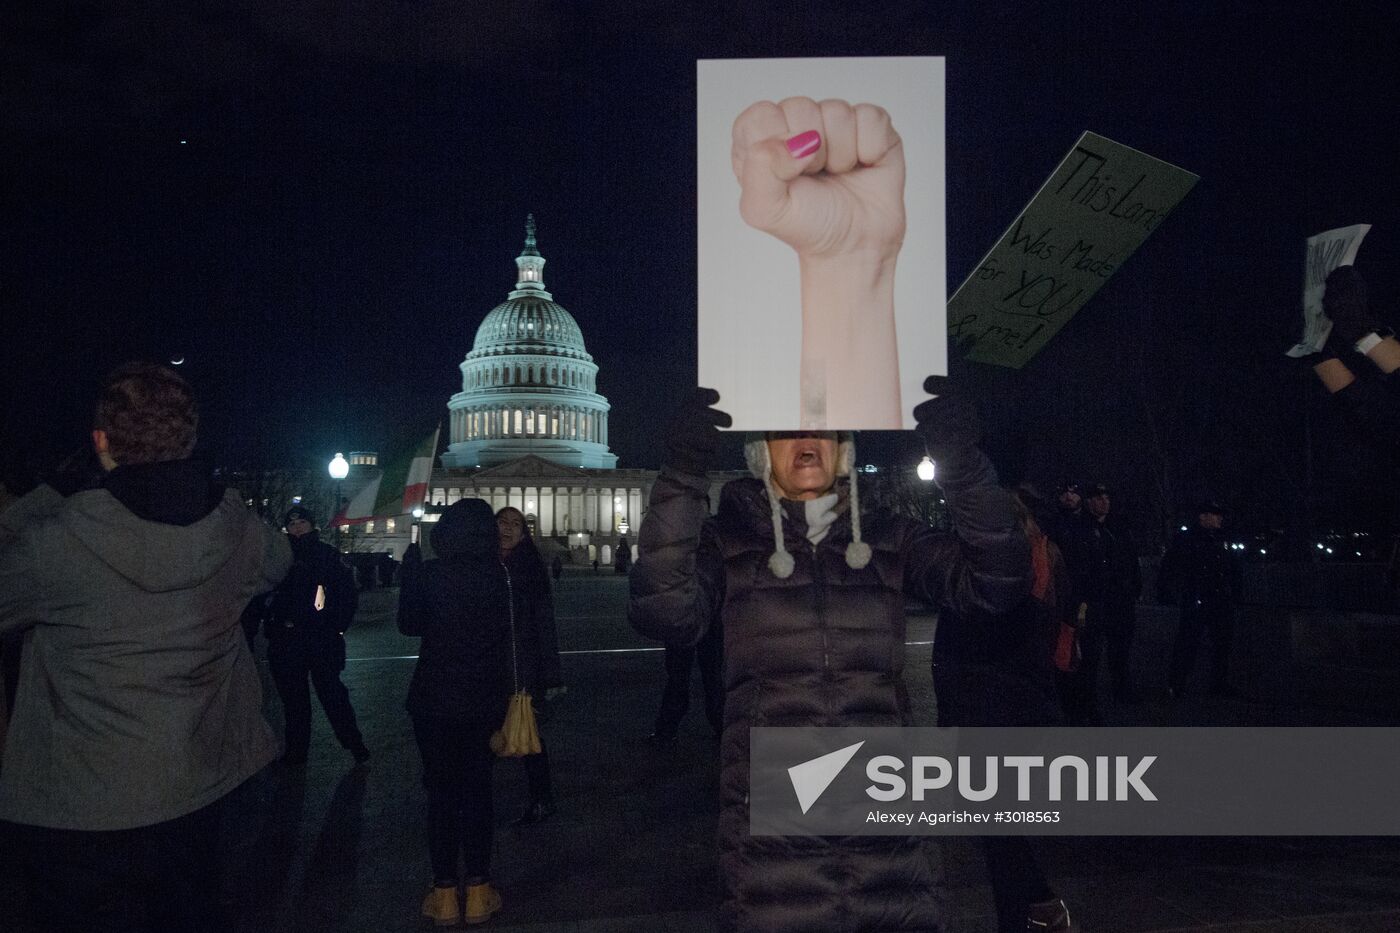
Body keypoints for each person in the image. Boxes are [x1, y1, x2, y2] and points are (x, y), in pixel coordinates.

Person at [629, 379, 1030, 933]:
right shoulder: (727, 542)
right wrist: (681, 475)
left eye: (821, 428)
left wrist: (963, 465)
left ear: (844, 446)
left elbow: (996, 585)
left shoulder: (891, 536)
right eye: (787, 431)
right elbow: (666, 611)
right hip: (774, 816)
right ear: (759, 451)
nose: (806, 441)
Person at [0, 362, 290, 933]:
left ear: (101, 441)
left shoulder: (55, 543)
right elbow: (278, 563)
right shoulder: (241, 533)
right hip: (213, 792)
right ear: (190, 438)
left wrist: (40, 500)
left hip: (85, 810)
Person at [932, 487, 1072, 932]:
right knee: (995, 821)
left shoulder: (989, 573)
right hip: (1021, 706)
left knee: (992, 822)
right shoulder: (1043, 557)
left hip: (990, 709)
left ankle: (1030, 909)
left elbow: (958, 645)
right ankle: (1036, 903)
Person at [398, 498, 513, 927]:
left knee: (441, 797)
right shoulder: (499, 577)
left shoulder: (430, 575)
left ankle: (445, 892)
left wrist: (411, 572)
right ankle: (480, 891)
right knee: (479, 794)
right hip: (484, 702)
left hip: (433, 703)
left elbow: (409, 625)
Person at [265, 504, 369, 765]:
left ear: (311, 526)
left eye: (301, 523)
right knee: (294, 702)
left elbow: (346, 595)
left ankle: (354, 743)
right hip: (288, 639)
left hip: (320, 638)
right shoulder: (278, 557)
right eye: (292, 524)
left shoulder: (327, 555)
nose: (297, 528)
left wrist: (336, 627)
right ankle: (296, 754)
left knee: (332, 695)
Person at [496, 506, 564, 826]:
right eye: (502, 522)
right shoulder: (485, 564)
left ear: (524, 532)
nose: (508, 529)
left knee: (529, 735)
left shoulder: (529, 567)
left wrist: (550, 674)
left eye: (515, 524)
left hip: (522, 665)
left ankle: (542, 797)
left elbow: (544, 622)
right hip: (490, 665)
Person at [1070, 483, 1143, 718]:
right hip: (1095, 599)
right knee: (1090, 654)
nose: (1104, 501)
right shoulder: (1081, 529)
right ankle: (1086, 703)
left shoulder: (1118, 528)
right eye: (1098, 497)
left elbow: (1131, 561)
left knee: (1120, 649)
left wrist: (1134, 586)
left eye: (1106, 497)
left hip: (1120, 599)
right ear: (1089, 501)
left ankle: (1121, 690)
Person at [1158, 501, 1244, 699]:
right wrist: (1169, 591)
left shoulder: (1221, 538)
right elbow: (1170, 567)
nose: (1219, 518)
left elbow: (1233, 568)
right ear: (1203, 517)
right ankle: (1176, 684)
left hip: (1220, 599)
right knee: (1187, 643)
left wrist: (1235, 592)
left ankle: (1218, 684)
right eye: (1214, 514)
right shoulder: (1187, 539)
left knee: (1222, 645)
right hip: (1197, 598)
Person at [647, 618, 723, 746]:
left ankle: (667, 729)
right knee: (712, 676)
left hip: (682, 617)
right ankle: (722, 724)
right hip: (708, 618)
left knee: (678, 675)